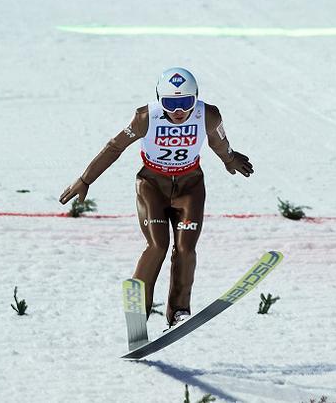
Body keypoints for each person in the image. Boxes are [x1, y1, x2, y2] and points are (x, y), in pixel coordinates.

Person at [59, 67, 253, 327]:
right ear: (159, 99)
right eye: (171, 104)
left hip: (190, 186)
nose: (178, 111)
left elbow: (218, 141)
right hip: (152, 185)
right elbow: (115, 146)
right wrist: (85, 180)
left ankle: (179, 311)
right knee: (157, 246)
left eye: (185, 102)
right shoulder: (145, 117)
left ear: (196, 98)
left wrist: (229, 159)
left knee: (186, 249)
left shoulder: (207, 114)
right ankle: (139, 310)